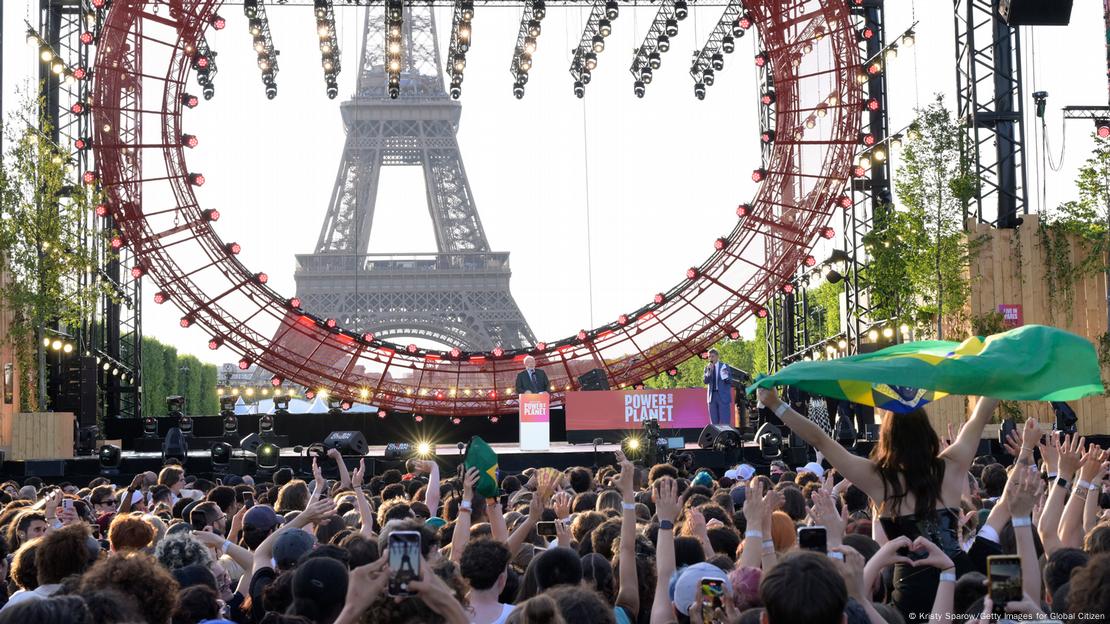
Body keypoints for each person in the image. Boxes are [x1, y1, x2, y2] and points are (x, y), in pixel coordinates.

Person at [756, 386, 997, 617]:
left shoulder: (879, 481)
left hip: (912, 591)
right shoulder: (952, 466)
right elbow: (980, 416)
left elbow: (820, 440)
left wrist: (776, 404)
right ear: (927, 430)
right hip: (961, 582)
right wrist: (1003, 369)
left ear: (887, 436)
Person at [703, 349, 733, 425]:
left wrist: (725, 377)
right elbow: (706, 381)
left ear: (717, 357)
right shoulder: (707, 367)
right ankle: (716, 437)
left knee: (725, 421)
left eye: (712, 356)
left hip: (722, 396)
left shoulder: (724, 366)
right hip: (712, 397)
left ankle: (726, 436)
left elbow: (729, 381)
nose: (710, 359)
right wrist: (710, 371)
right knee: (714, 422)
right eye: (709, 357)